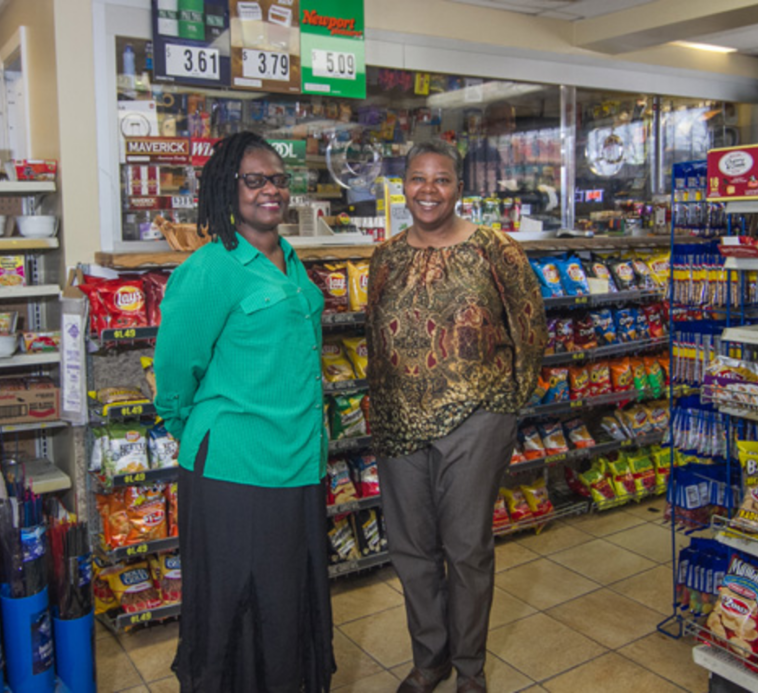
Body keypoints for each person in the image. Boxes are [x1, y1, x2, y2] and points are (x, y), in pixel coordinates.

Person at [153, 131, 335, 693]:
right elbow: (175, 378)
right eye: (254, 180)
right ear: (226, 190)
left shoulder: (292, 259)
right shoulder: (209, 269)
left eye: (278, 180)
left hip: (299, 458)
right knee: (236, 599)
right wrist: (213, 432)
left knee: (287, 595)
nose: (270, 190)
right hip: (234, 469)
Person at [365, 140, 547, 693]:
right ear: (403, 185)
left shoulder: (496, 250)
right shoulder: (386, 256)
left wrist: (507, 402)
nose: (427, 189)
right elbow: (374, 334)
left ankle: (470, 668)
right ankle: (429, 661)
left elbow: (530, 325)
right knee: (411, 548)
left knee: (466, 547)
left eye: (440, 179)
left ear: (459, 189)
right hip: (398, 419)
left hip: (477, 414)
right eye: (417, 179)